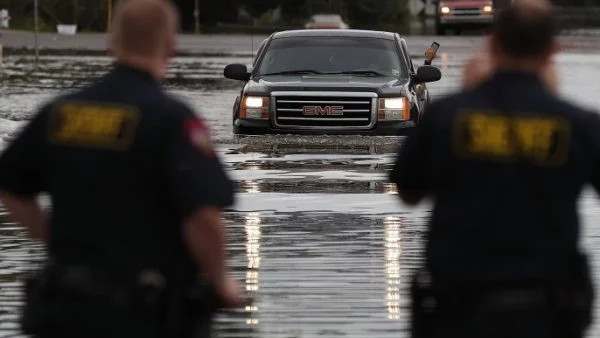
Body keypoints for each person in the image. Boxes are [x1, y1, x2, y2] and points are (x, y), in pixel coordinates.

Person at [0, 1, 242, 337]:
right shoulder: (171, 120)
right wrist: (221, 281)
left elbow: (9, 186)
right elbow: (203, 217)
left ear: (112, 43)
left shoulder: (62, 112)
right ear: (171, 47)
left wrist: (55, 236)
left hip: (66, 309)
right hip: (143, 312)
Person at [390, 1, 596, 337]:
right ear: (552, 51)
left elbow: (408, 193)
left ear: (492, 43)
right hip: (547, 313)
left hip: (456, 312)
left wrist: (470, 99)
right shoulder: (577, 125)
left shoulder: (445, 117)